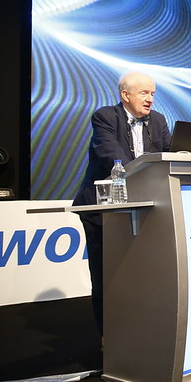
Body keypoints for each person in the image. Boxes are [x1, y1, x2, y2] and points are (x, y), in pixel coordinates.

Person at [73, 71, 172, 335]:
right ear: (125, 95)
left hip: (146, 210)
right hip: (103, 210)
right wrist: (141, 177)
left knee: (143, 274)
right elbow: (111, 156)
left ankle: (139, 331)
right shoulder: (105, 117)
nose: (150, 99)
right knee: (108, 277)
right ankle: (109, 337)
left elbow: (168, 156)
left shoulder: (158, 120)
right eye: (144, 93)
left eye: (152, 93)